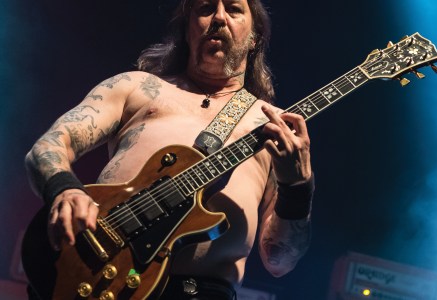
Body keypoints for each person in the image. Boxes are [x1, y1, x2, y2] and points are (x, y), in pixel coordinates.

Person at [24, 0, 315, 299]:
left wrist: (298, 188)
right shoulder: (136, 88)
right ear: (187, 31)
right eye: (204, 8)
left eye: (233, 8)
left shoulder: (273, 127)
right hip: (94, 271)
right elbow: (49, 145)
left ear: (255, 37)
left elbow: (279, 260)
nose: (218, 17)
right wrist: (64, 190)